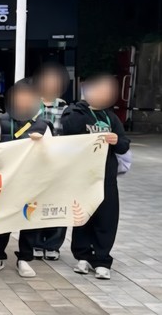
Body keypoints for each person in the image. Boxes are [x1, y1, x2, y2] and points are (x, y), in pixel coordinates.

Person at [61, 73, 130, 280]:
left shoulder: (111, 117)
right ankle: (82, 256)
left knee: (106, 218)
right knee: (83, 216)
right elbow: (69, 130)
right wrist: (82, 106)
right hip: (82, 175)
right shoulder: (75, 112)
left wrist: (116, 140)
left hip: (106, 177)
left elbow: (124, 145)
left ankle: (102, 260)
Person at [0, 80, 51, 278]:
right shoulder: (2, 120)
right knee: (2, 219)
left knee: (29, 219)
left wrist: (41, 144)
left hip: (31, 181)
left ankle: (24, 258)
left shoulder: (43, 125)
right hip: (6, 180)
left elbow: (52, 155)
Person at [33, 62, 70, 260]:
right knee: (36, 202)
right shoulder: (30, 105)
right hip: (36, 163)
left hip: (59, 163)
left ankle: (53, 245)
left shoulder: (66, 108)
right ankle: (35, 243)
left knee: (58, 203)